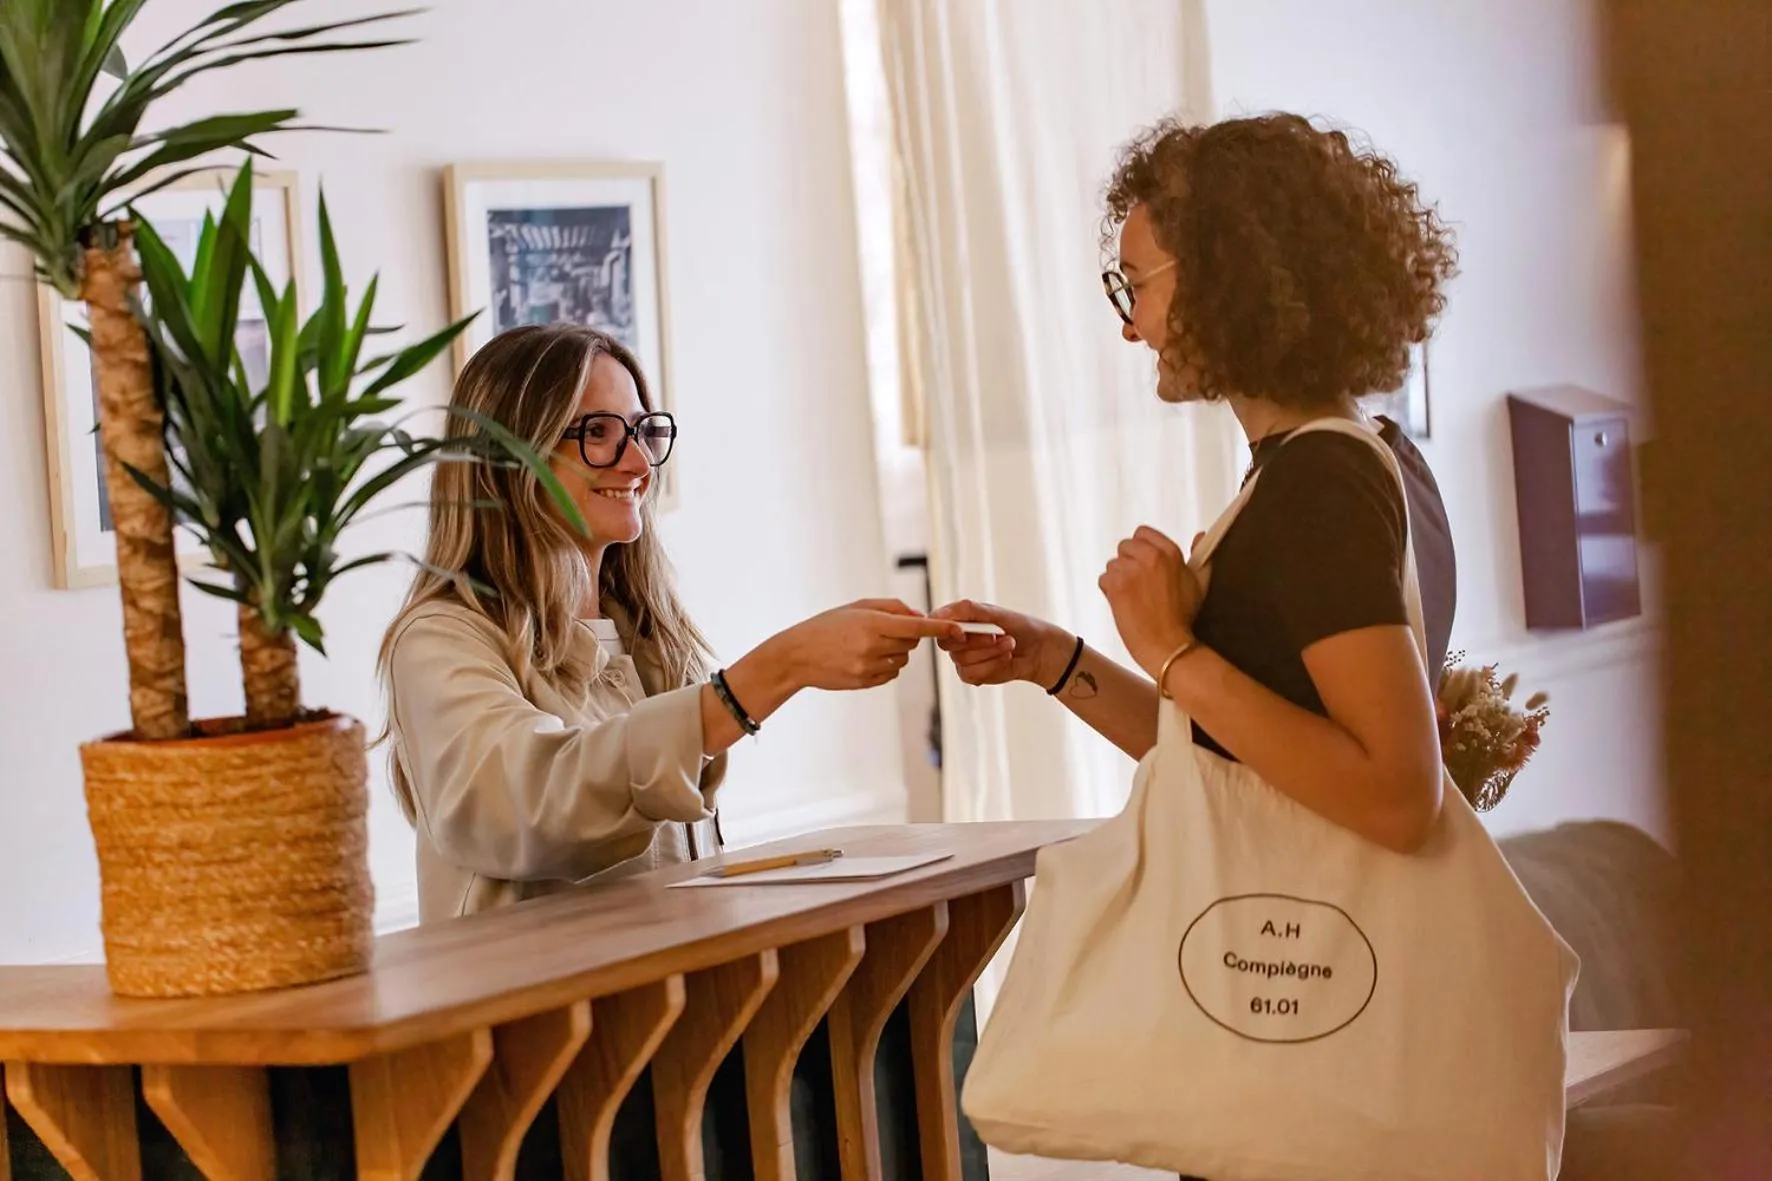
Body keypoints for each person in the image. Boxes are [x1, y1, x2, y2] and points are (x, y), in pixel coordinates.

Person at [937, 112, 1460, 854]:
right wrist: (1053, 658)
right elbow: (1230, 762)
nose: (1131, 326)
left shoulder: (1320, 484)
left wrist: (1171, 650)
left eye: (1136, 286)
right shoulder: (1369, 456)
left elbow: (1400, 798)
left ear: (1226, 281)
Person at [378, 323, 957, 921]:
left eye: (641, 432)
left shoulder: (650, 641)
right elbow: (526, 804)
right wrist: (777, 671)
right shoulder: (440, 640)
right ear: (507, 459)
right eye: (597, 433)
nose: (638, 463)